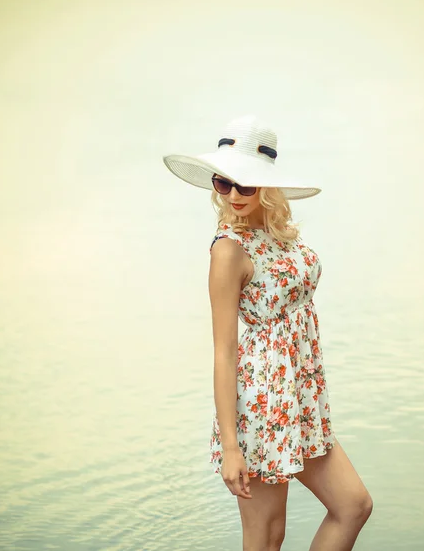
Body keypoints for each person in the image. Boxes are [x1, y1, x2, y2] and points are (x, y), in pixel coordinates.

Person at [163, 115, 373, 550]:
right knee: (266, 535)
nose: (234, 195)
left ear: (266, 185)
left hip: (300, 399)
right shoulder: (228, 250)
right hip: (260, 404)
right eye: (224, 184)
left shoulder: (280, 233)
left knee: (353, 505)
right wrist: (232, 448)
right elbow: (224, 351)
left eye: (246, 184)